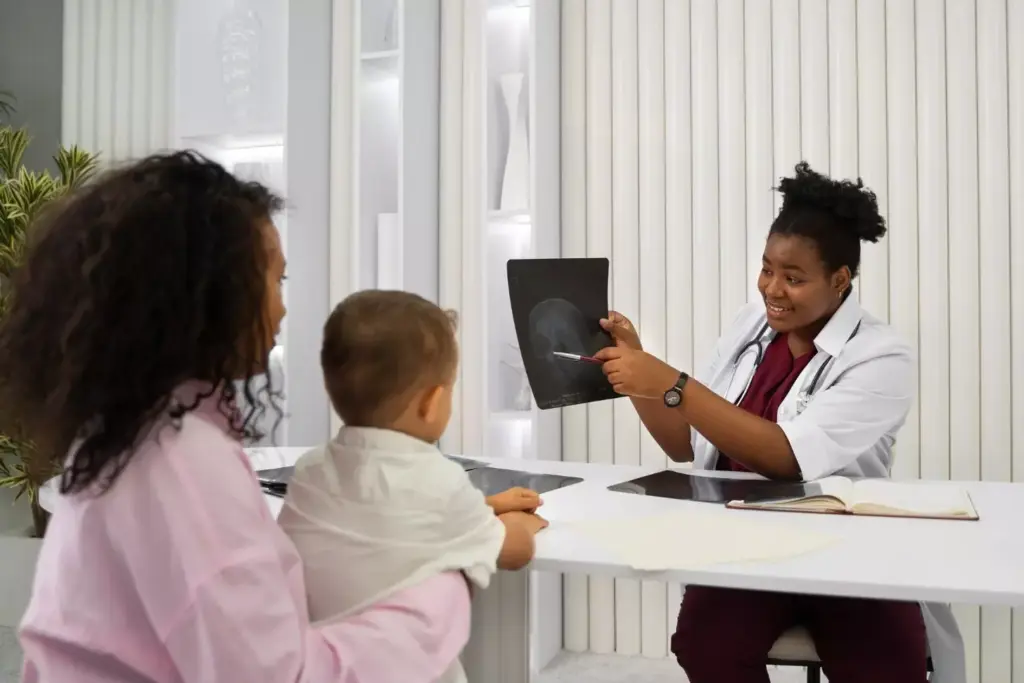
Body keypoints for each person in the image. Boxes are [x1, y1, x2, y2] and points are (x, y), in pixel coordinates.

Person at [0, 151, 471, 683]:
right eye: (276, 281)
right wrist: (450, 582)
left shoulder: (129, 433)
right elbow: (281, 675)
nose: (282, 309)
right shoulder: (182, 462)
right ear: (210, 290)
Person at [593, 162, 963, 683]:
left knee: (888, 666)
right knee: (706, 645)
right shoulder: (751, 326)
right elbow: (685, 444)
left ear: (840, 280)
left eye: (793, 278)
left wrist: (673, 384)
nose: (772, 288)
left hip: (849, 550)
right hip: (746, 546)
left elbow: (789, 457)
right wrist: (639, 372)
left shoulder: (881, 355)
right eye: (767, 269)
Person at [279, 289, 549, 683]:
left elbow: (383, 518)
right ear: (431, 402)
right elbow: (514, 552)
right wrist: (521, 523)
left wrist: (487, 505)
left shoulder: (309, 473)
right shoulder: (441, 483)